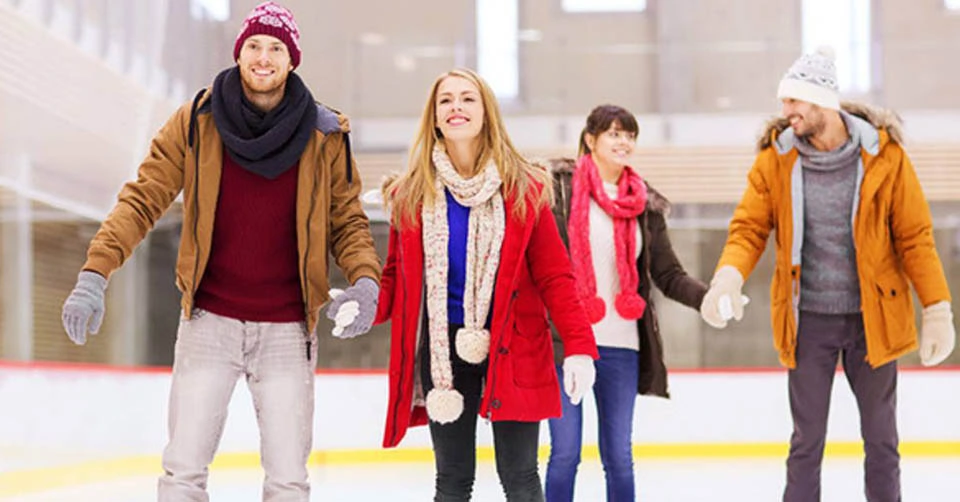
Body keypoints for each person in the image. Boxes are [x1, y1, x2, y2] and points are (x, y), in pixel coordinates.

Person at [59, 3, 381, 500]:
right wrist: (94, 273)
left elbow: (348, 222)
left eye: (276, 47)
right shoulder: (196, 121)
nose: (264, 56)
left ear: (292, 59)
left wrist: (365, 280)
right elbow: (142, 199)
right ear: (239, 51)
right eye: (254, 44)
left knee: (288, 480)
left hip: (289, 331)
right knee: (183, 471)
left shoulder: (323, 135)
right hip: (209, 322)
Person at [700, 46, 956, 502]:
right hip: (808, 320)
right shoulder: (775, 160)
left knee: (882, 441)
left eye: (794, 102)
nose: (786, 112)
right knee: (806, 442)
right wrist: (728, 277)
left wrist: (936, 308)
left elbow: (915, 237)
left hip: (872, 317)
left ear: (821, 102)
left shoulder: (886, 157)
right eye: (784, 103)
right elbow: (749, 229)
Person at [374, 68, 599, 501]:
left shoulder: (524, 187)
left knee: (519, 476)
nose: (456, 107)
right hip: (443, 354)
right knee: (452, 480)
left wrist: (579, 347)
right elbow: (394, 280)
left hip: (514, 346)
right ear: (434, 118)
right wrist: (365, 304)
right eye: (446, 101)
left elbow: (556, 276)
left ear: (486, 113)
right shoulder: (412, 194)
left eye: (467, 98)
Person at [543, 105, 708, 502]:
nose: (623, 142)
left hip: (622, 345)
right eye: (614, 133)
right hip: (566, 344)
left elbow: (668, 275)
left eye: (630, 135)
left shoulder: (644, 204)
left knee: (618, 456)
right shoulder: (558, 190)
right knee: (564, 453)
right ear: (590, 140)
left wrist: (709, 298)